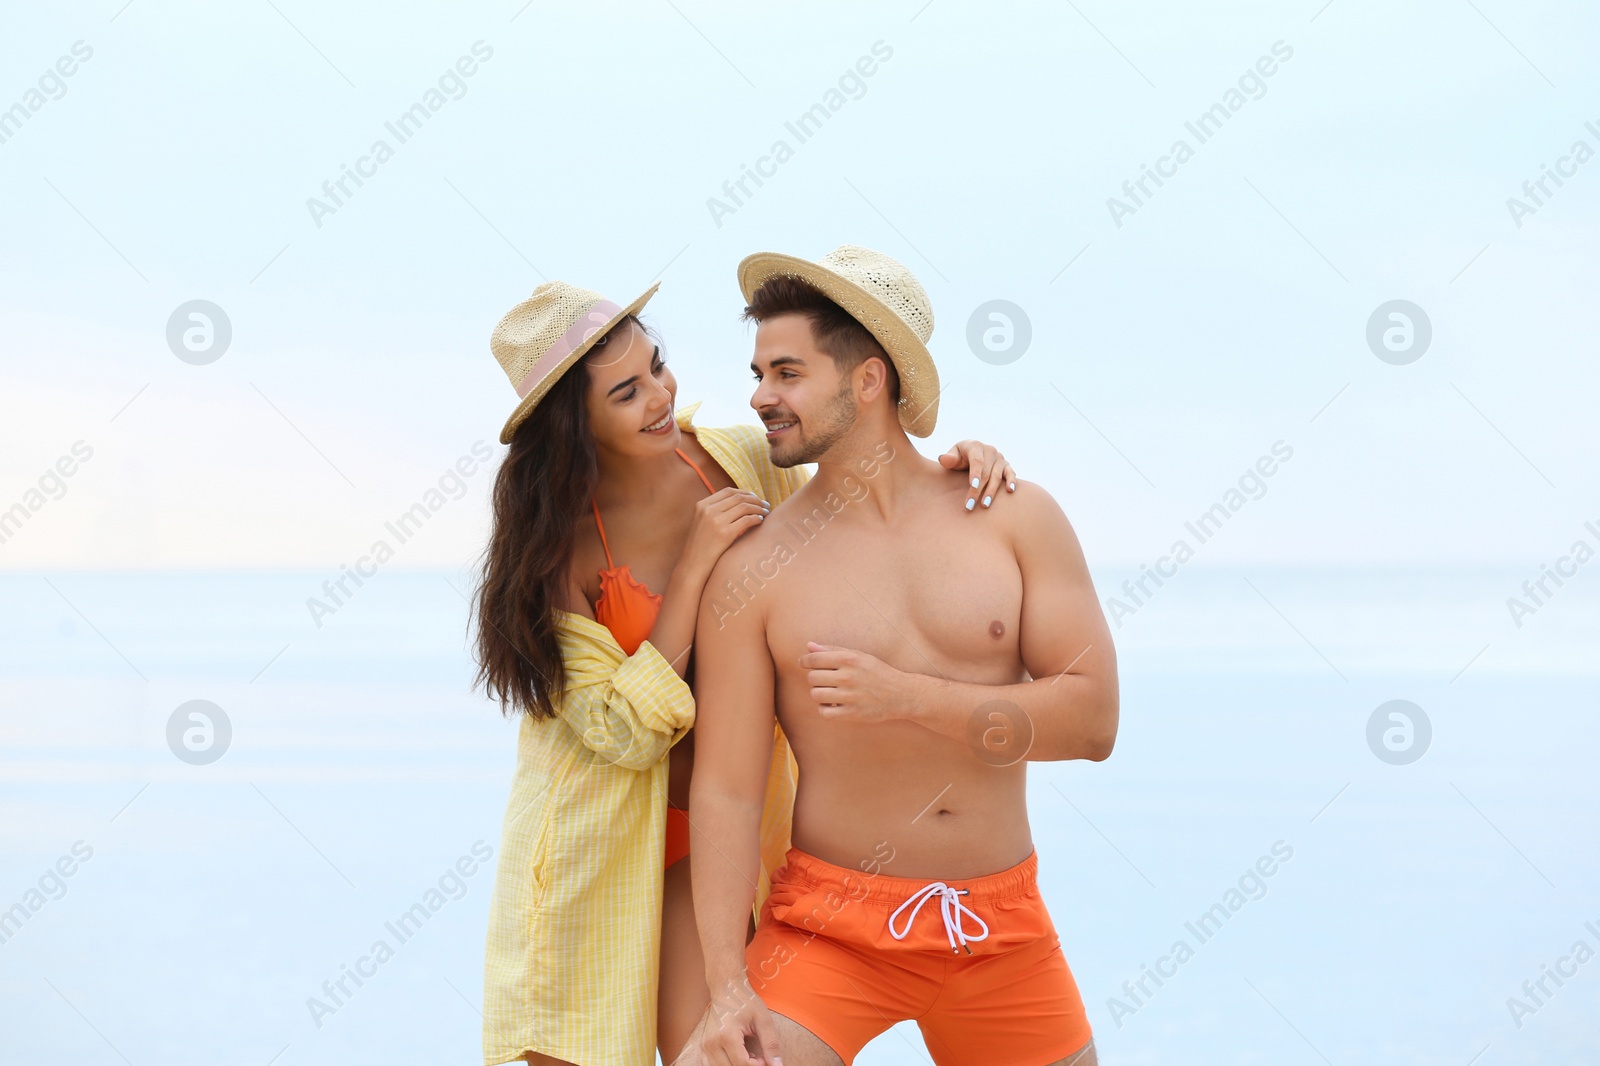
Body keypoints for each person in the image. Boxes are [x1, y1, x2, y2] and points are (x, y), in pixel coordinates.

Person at [472, 278, 1019, 1066]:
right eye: (627, 392)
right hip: (598, 848)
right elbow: (619, 733)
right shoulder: (557, 546)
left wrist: (952, 470)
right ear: (572, 424)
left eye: (658, 367)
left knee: (733, 1054)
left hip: (714, 837)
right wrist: (695, 571)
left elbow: (851, 507)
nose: (661, 396)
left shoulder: (735, 461)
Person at [687, 246, 1120, 1066]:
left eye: (786, 372)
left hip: (1001, 932)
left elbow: (1093, 721)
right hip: (830, 929)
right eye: (757, 373)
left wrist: (908, 697)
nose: (760, 396)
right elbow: (727, 792)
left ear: (868, 380)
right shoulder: (753, 571)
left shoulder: (1014, 520)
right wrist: (725, 988)